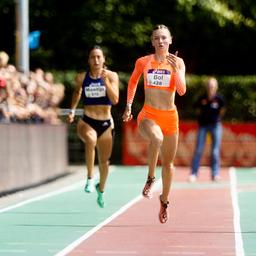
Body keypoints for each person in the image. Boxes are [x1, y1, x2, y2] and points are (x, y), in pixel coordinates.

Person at [122, 24, 186, 223]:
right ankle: (150, 178)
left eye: (164, 38)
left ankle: (164, 201)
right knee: (156, 138)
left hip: (170, 117)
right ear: (152, 42)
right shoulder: (144, 62)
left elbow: (182, 91)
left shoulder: (178, 62)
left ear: (170, 40)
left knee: (169, 165)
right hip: (148, 115)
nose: (160, 41)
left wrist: (176, 71)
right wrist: (129, 106)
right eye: (156, 38)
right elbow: (132, 82)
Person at [67, 45, 119, 208]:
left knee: (105, 163)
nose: (96, 60)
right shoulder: (82, 77)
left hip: (105, 123)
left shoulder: (111, 76)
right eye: (92, 57)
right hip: (87, 120)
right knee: (90, 139)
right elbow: (77, 93)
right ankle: (90, 178)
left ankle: (101, 189)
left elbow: (115, 99)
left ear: (103, 60)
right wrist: (72, 111)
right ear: (88, 60)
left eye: (99, 57)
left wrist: (105, 82)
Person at [189, 76, 226, 182]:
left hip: (216, 126)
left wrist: (216, 118)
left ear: (216, 87)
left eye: (213, 86)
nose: (211, 88)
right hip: (203, 126)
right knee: (199, 149)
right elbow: (196, 109)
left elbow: (222, 110)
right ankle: (193, 174)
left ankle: (215, 174)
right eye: (209, 86)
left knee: (215, 151)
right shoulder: (202, 98)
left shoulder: (219, 99)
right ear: (207, 87)